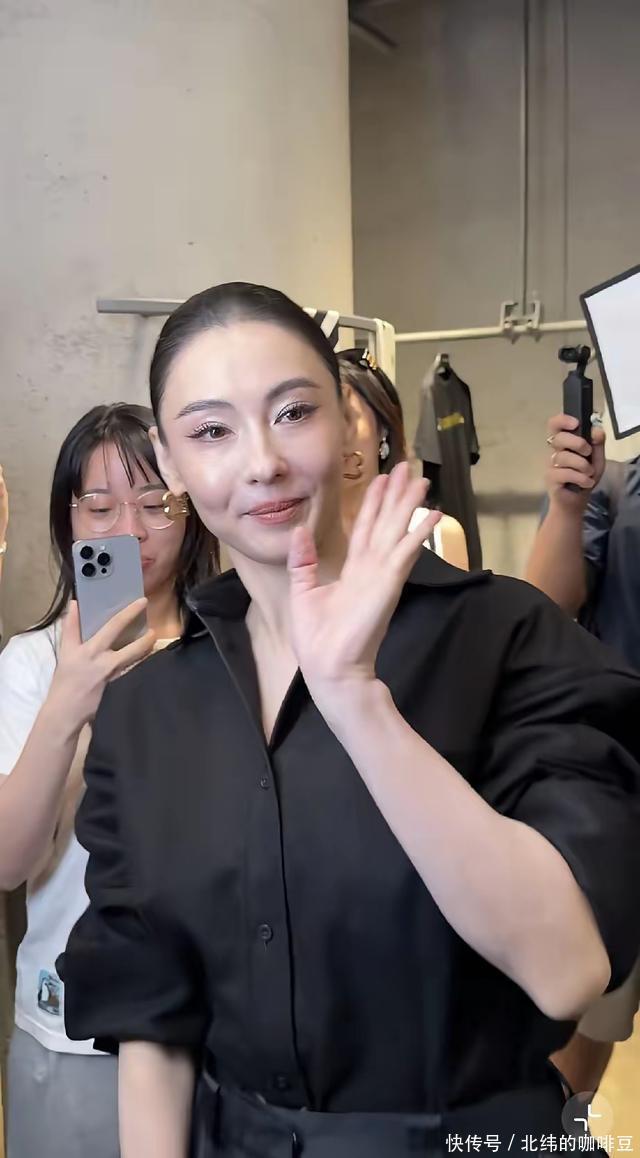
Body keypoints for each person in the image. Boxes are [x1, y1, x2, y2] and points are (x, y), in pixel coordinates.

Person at [60, 284, 640, 1158]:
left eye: (293, 412)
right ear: (171, 465)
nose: (262, 463)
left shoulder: (504, 635)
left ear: (349, 424)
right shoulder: (148, 709)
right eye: (212, 432)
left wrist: (356, 699)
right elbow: (152, 1016)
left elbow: (569, 970)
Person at [0, 402, 217, 1158]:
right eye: (100, 507)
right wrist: (71, 704)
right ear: (69, 523)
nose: (131, 531)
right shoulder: (30, 666)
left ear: (191, 514)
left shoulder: (233, 652)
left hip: (220, 1028)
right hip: (70, 1031)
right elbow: (8, 862)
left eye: (155, 504)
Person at [525, 411, 640, 1096]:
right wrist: (569, 505)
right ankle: (561, 1138)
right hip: (622, 792)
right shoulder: (614, 485)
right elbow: (543, 606)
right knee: (582, 1027)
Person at [338, 348, 469, 568]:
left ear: (382, 429)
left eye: (347, 418)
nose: (336, 436)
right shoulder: (297, 541)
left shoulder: (437, 533)